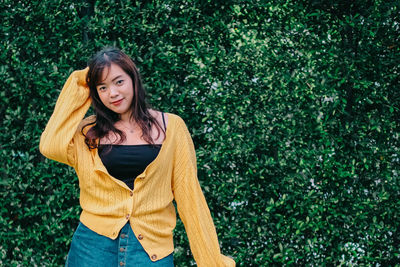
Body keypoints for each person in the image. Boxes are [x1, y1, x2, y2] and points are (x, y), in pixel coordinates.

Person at [39, 47, 235, 267]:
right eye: (102, 87)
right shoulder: (88, 131)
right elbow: (50, 145)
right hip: (92, 248)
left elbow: (191, 197)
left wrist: (211, 261)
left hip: (151, 251)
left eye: (118, 82)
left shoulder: (172, 127)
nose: (112, 93)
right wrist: (81, 80)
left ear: (133, 79)